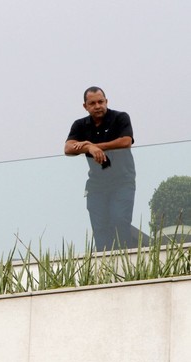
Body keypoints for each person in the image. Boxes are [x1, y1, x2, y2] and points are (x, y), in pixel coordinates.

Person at [64, 86, 136, 251]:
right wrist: (89, 149)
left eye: (100, 102)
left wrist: (94, 145)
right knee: (100, 229)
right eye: (92, 103)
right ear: (85, 106)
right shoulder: (80, 124)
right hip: (97, 185)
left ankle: (127, 261)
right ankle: (104, 268)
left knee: (119, 220)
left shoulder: (120, 117)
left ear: (106, 101)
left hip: (122, 181)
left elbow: (126, 141)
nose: (97, 106)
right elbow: (68, 148)